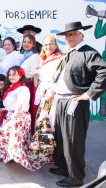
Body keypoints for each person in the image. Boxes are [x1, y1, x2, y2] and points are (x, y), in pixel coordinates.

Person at [49, 22, 106, 187]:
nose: (69, 37)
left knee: (73, 140)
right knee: (61, 136)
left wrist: (89, 94)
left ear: (81, 35)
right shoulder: (69, 53)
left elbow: (103, 71)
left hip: (74, 101)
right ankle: (64, 167)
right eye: (67, 35)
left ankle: (75, 177)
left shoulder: (87, 52)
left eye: (73, 34)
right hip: (61, 100)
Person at [0, 66, 33, 170]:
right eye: (10, 75)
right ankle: (7, 153)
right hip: (10, 114)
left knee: (5, 135)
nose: (11, 77)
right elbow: (8, 106)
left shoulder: (23, 88)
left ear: (20, 75)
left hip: (19, 116)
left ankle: (13, 155)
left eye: (14, 74)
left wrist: (13, 119)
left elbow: (20, 105)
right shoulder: (12, 88)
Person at [27, 35, 61, 171]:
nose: (48, 47)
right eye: (46, 44)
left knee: (50, 124)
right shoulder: (43, 59)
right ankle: (46, 152)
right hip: (43, 94)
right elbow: (37, 75)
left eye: (51, 44)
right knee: (43, 124)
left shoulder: (59, 58)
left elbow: (58, 77)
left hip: (51, 95)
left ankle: (54, 155)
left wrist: (51, 92)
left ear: (55, 45)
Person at [20, 34, 40, 132]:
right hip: (23, 86)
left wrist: (35, 91)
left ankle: (32, 133)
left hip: (30, 86)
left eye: (29, 42)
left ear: (33, 44)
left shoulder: (35, 56)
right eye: (25, 42)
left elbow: (36, 75)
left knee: (31, 109)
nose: (26, 44)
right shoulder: (24, 55)